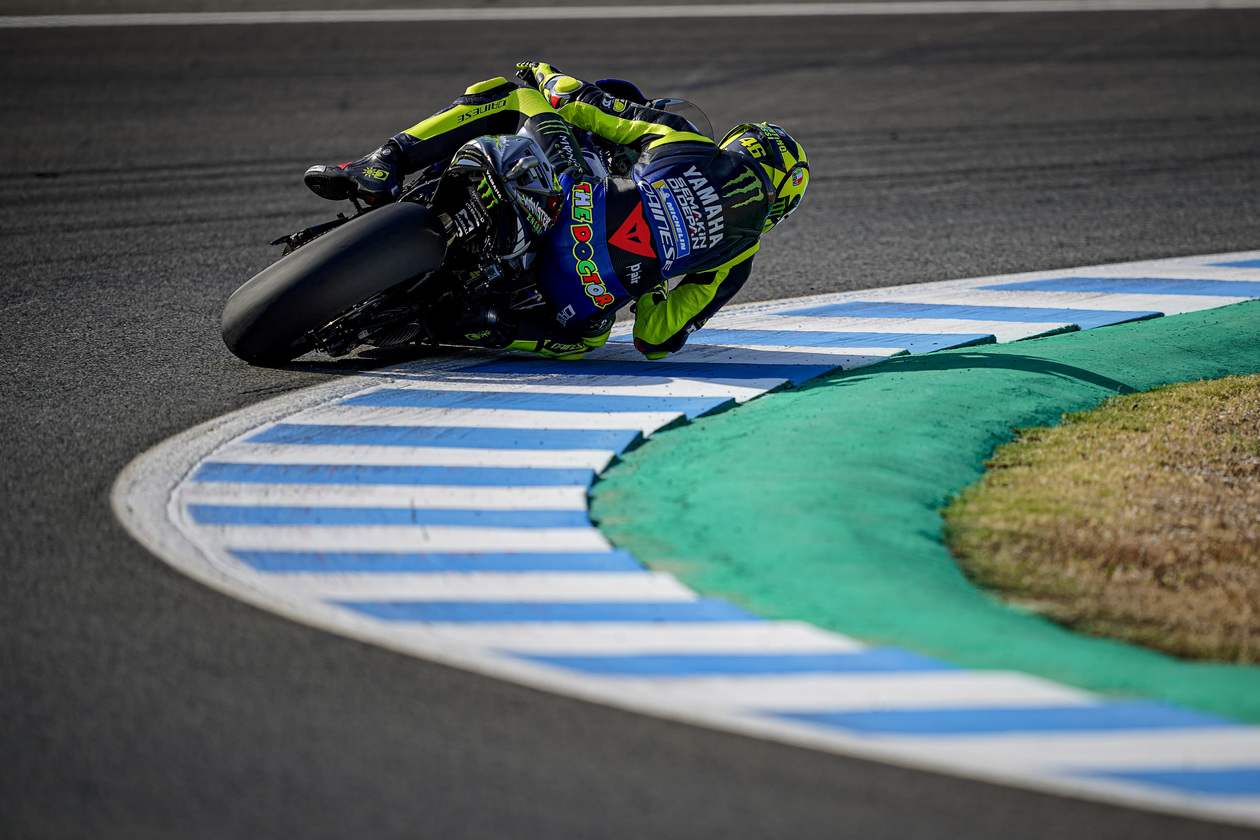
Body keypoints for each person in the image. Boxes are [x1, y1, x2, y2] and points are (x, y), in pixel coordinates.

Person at [304, 61, 809, 360]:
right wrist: (652, 272)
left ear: (739, 143)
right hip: (579, 299)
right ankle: (456, 324)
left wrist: (543, 72)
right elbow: (654, 339)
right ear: (782, 204)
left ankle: (383, 162)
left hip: (573, 203)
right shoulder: (738, 258)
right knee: (589, 341)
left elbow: (579, 104)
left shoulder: (684, 138)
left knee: (511, 95)